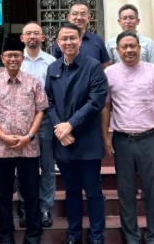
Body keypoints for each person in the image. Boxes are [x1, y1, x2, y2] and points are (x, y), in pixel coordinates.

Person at [101, 32, 154, 244]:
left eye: (132, 46)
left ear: (140, 48)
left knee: (153, 191)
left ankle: (153, 238)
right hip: (122, 140)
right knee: (125, 192)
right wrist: (105, 136)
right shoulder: (110, 73)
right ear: (117, 50)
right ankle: (131, 238)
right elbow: (106, 107)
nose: (129, 50)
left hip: (150, 140)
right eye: (124, 47)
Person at [46, 22, 108, 244]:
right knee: (71, 192)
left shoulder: (93, 67)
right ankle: (73, 235)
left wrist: (70, 125)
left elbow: (97, 101)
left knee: (93, 192)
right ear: (58, 43)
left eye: (73, 38)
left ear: (80, 41)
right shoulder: (52, 69)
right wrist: (59, 128)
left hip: (87, 141)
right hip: (63, 141)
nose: (68, 42)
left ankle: (97, 236)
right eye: (64, 39)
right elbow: (49, 102)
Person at [0, 37, 47, 244]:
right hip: (1, 149)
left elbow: (41, 111)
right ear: (2, 58)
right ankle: (6, 236)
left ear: (22, 58)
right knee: (3, 194)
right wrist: (2, 136)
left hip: (29, 148)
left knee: (31, 193)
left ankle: (33, 235)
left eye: (17, 56)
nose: (13, 59)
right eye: (9, 56)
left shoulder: (34, 82)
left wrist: (29, 136)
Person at [17, 22, 56, 228]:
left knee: (48, 166)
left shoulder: (52, 62)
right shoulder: (16, 60)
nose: (32, 37)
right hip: (20, 122)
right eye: (28, 33)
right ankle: (25, 207)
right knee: (23, 167)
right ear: (22, 38)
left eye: (36, 33)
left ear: (43, 38)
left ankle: (45, 208)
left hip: (46, 121)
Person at [50, 2, 110, 68]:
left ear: (89, 18)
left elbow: (105, 66)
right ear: (69, 17)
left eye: (83, 14)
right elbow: (55, 66)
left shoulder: (97, 39)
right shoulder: (61, 41)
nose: (79, 18)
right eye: (75, 14)